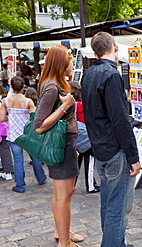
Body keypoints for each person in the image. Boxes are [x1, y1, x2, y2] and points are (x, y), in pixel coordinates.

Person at [81, 31, 140, 247]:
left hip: (101, 148)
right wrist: (133, 156)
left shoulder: (88, 74)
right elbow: (120, 120)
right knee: (117, 207)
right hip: (115, 150)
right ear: (114, 47)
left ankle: (117, 243)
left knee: (108, 204)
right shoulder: (111, 75)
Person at [34, 45, 84, 247]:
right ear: (61, 63)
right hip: (60, 146)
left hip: (65, 144)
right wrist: (65, 106)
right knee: (64, 196)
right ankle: (64, 242)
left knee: (61, 194)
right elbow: (39, 125)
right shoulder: (53, 87)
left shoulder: (52, 84)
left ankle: (62, 231)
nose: (72, 64)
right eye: (70, 60)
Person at [0, 76, 46, 193]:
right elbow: (34, 118)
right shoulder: (28, 101)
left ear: (10, 86)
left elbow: (1, 118)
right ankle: (41, 177)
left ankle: (20, 185)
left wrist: (11, 117)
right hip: (27, 135)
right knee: (34, 156)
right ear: (23, 87)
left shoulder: (5, 101)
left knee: (18, 160)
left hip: (14, 135)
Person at [69, 81, 100, 194]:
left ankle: (71, 185)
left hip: (75, 136)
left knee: (76, 163)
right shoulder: (82, 105)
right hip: (87, 137)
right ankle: (91, 185)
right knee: (90, 162)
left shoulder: (70, 105)